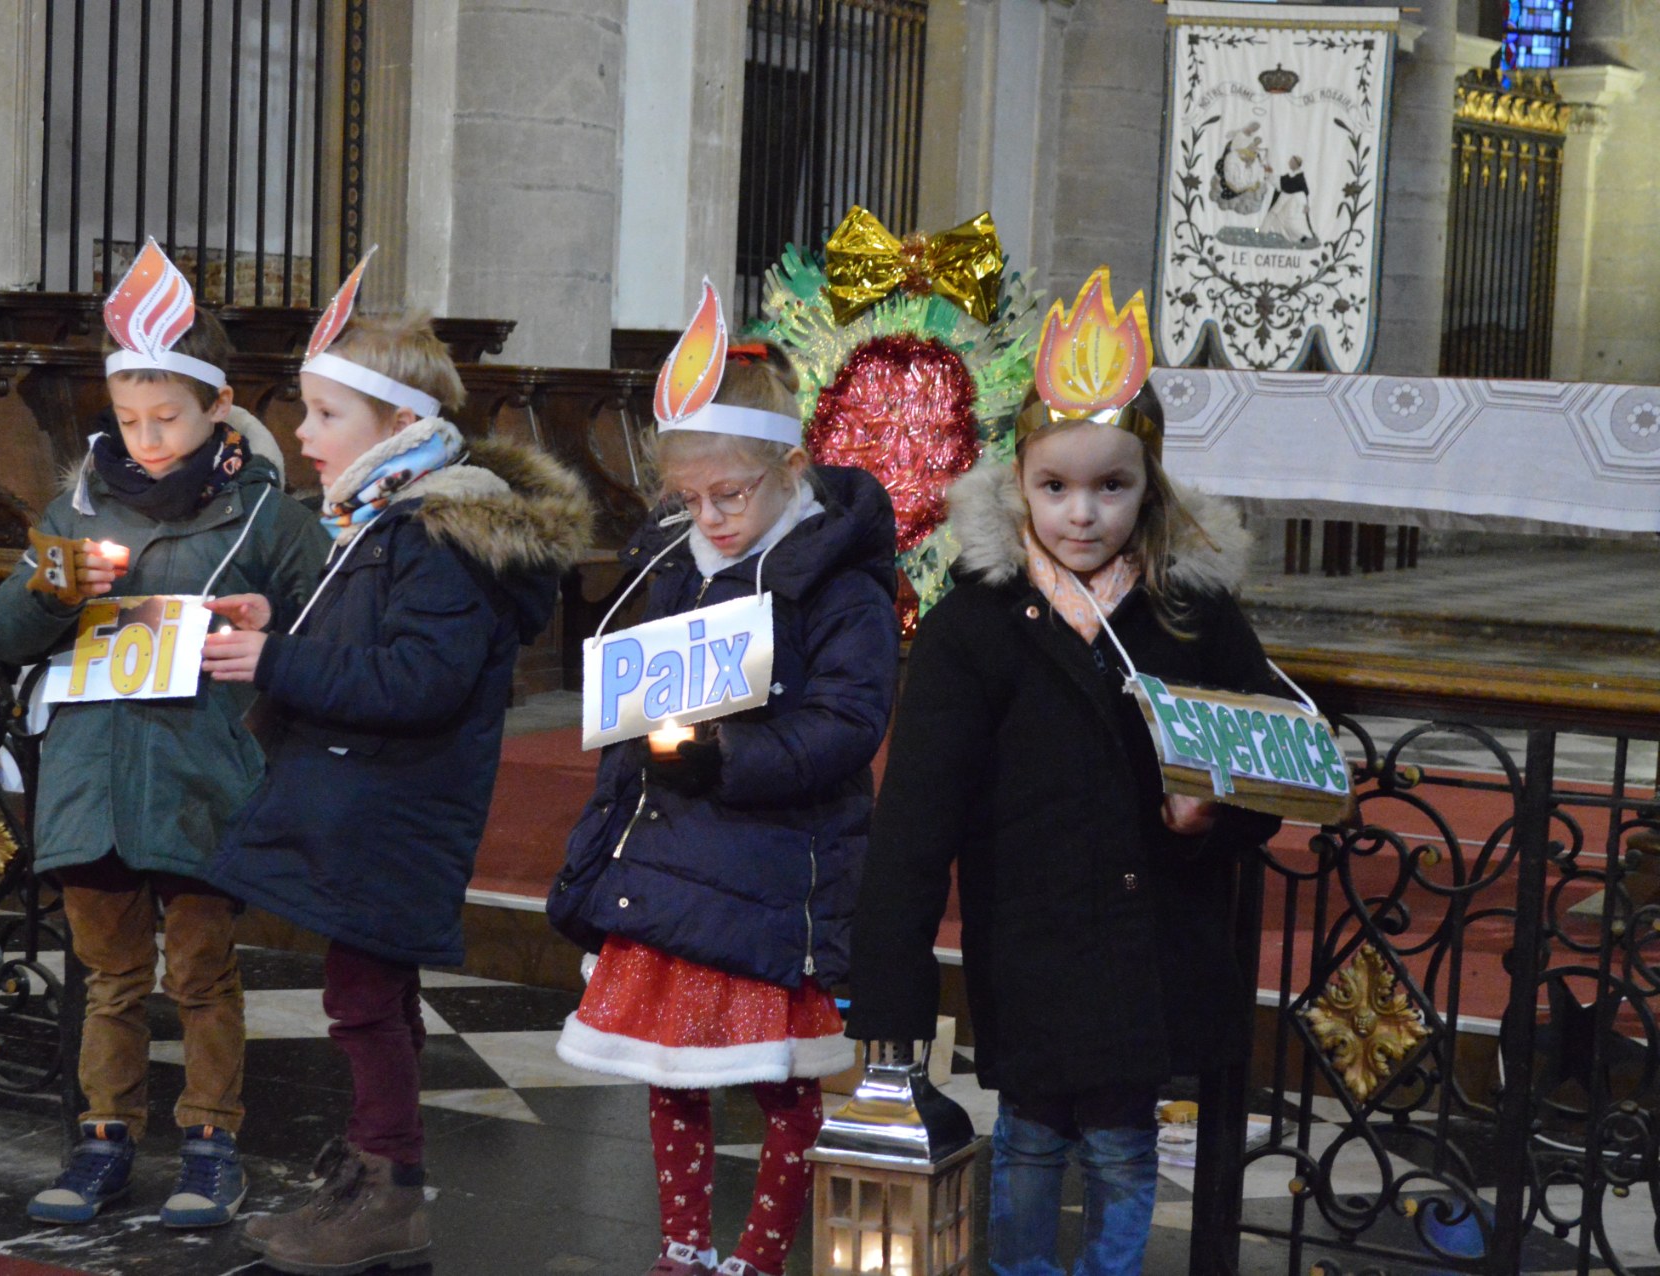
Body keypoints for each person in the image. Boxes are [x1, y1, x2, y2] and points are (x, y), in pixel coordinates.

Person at [844, 268, 1285, 1276]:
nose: (1082, 514)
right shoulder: (976, 625)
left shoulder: (1190, 612)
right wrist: (892, 1003)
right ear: (1019, 482)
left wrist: (1218, 808)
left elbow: (1273, 759)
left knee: (1130, 1149)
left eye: (1112, 486)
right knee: (1033, 1143)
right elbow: (915, 822)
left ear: (1152, 483)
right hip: (1032, 945)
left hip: (1151, 948)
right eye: (1056, 486)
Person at [197, 263, 594, 1274]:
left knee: (365, 999)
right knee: (366, 992)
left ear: (391, 421)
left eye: (325, 411)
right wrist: (279, 623)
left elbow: (417, 679)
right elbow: (380, 642)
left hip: (395, 801)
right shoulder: (390, 515)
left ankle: (390, 1190)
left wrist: (275, 660)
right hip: (373, 797)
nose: (302, 431)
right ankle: (377, 1173)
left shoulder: (433, 531)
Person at [548, 289, 902, 1276]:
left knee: (780, 1079)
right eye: (688, 498)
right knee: (672, 1071)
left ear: (790, 467)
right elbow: (637, 698)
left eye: (729, 496)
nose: (708, 517)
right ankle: (682, 1247)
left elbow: (845, 724)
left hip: (774, 866)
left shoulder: (840, 581)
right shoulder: (673, 559)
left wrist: (725, 758)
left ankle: (756, 1256)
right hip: (670, 857)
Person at [0, 240, 326, 1229]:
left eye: (167, 416)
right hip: (93, 778)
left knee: (205, 973)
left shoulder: (267, 518)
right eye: (129, 418)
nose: (147, 437)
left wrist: (272, 629)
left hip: (204, 772)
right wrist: (57, 587)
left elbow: (326, 630)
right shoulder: (77, 506)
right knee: (110, 976)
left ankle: (211, 1144)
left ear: (219, 406)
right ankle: (102, 1142)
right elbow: (2, 634)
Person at [1259, 156, 1317, 247]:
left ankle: (1301, 238)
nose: (1289, 163)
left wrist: (1305, 205)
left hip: (1292, 203)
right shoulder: (1290, 177)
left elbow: (1303, 192)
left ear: (1296, 164)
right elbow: (1279, 182)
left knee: (1286, 220)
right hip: (1285, 201)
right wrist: (1268, 173)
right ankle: (1263, 233)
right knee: (1276, 217)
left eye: (1291, 161)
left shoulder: (1298, 179)